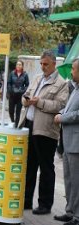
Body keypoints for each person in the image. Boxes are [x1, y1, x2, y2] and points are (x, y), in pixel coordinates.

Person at [18, 50, 69, 215]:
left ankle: (45, 204)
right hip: (29, 125)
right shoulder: (37, 78)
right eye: (41, 64)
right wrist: (25, 100)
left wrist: (39, 102)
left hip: (46, 131)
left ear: (54, 64)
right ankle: (26, 200)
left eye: (46, 64)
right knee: (29, 166)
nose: (42, 67)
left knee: (46, 168)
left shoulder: (61, 83)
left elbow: (60, 106)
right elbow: (25, 95)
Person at [53, 58, 79, 225]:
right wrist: (61, 111)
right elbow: (71, 108)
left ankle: (77, 216)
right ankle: (69, 211)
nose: (71, 72)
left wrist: (63, 117)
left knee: (77, 182)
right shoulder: (75, 89)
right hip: (68, 141)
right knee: (68, 179)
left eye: (74, 69)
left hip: (76, 143)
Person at [7, 60, 29, 127]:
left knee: (18, 112)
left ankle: (16, 125)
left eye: (20, 65)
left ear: (22, 66)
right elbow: (9, 83)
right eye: (17, 64)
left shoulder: (25, 74)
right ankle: (13, 121)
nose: (18, 66)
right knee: (11, 111)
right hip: (12, 95)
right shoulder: (12, 73)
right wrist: (10, 90)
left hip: (20, 96)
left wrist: (23, 90)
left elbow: (27, 85)